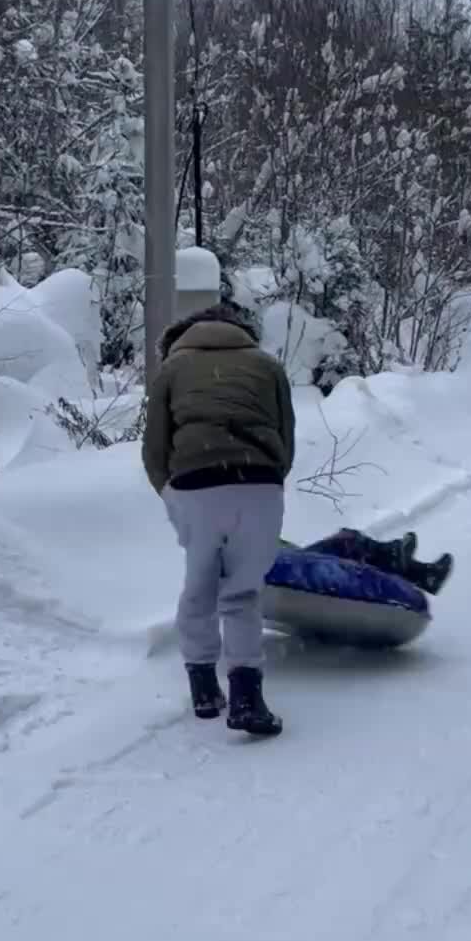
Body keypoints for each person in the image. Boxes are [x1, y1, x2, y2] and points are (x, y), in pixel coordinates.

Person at [142, 303, 294, 736]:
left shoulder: (173, 368)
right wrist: (266, 480)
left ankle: (204, 686)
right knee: (243, 593)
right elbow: (286, 435)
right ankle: (248, 697)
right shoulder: (267, 365)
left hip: (195, 486)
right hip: (260, 484)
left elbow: (155, 447)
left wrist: (172, 493)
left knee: (200, 585)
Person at [300, 527, 453, 595]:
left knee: (348, 545)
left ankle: (421, 572)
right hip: (289, 564)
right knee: (346, 541)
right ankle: (393, 556)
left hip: (291, 562)